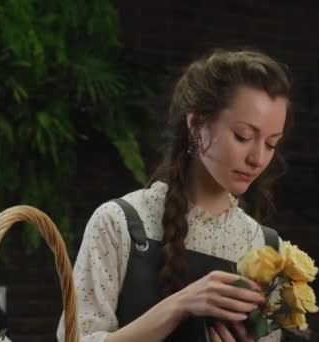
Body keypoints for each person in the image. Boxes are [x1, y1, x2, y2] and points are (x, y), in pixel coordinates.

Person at [57, 48, 292, 342]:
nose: (257, 158)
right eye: (243, 136)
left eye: (271, 144)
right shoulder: (119, 223)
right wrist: (180, 305)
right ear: (196, 125)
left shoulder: (267, 249)